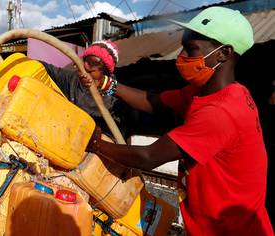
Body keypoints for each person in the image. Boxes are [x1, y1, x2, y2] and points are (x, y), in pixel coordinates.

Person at [82, 7, 273, 235]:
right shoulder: (207, 92)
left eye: (191, 49)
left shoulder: (221, 112)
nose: (182, 57)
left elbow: (148, 157)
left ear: (224, 53)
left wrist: (96, 145)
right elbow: (153, 101)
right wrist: (107, 84)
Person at [40, 40, 128, 138]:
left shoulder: (113, 95)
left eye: (93, 64)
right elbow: (47, 69)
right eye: (85, 61)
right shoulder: (72, 79)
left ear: (105, 72)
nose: (86, 67)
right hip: (65, 132)